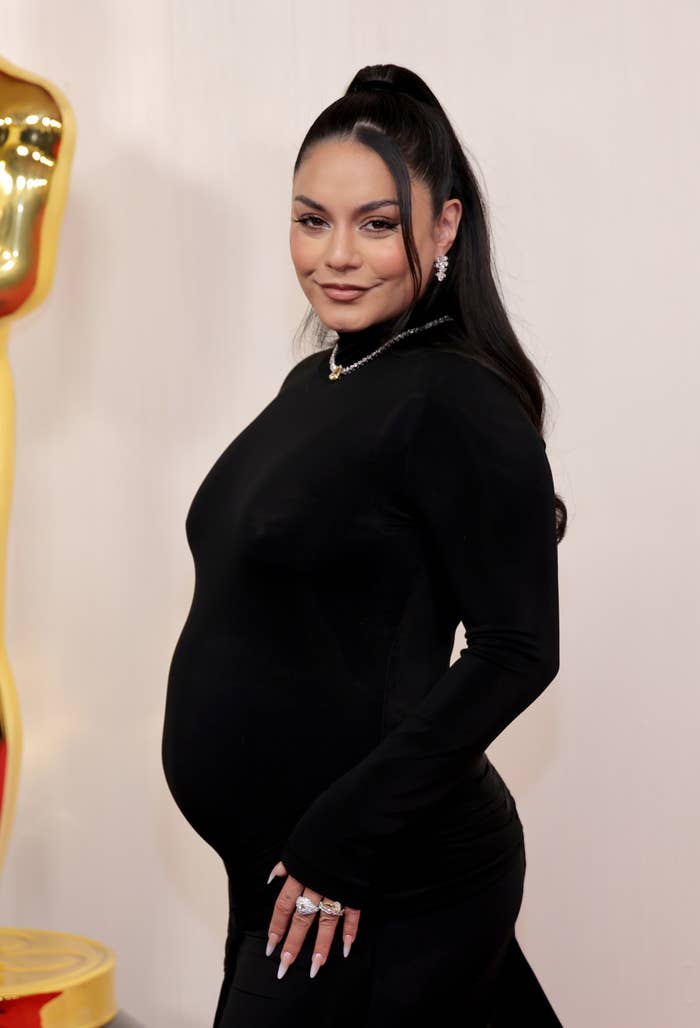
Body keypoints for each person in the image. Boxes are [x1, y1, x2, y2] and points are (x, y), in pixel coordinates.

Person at [161, 62, 566, 1027]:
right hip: (289, 865)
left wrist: (345, 837)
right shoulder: (323, 381)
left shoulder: (457, 399)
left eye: (376, 224)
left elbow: (519, 651)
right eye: (312, 220)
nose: (336, 256)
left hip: (371, 874)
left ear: (444, 228)